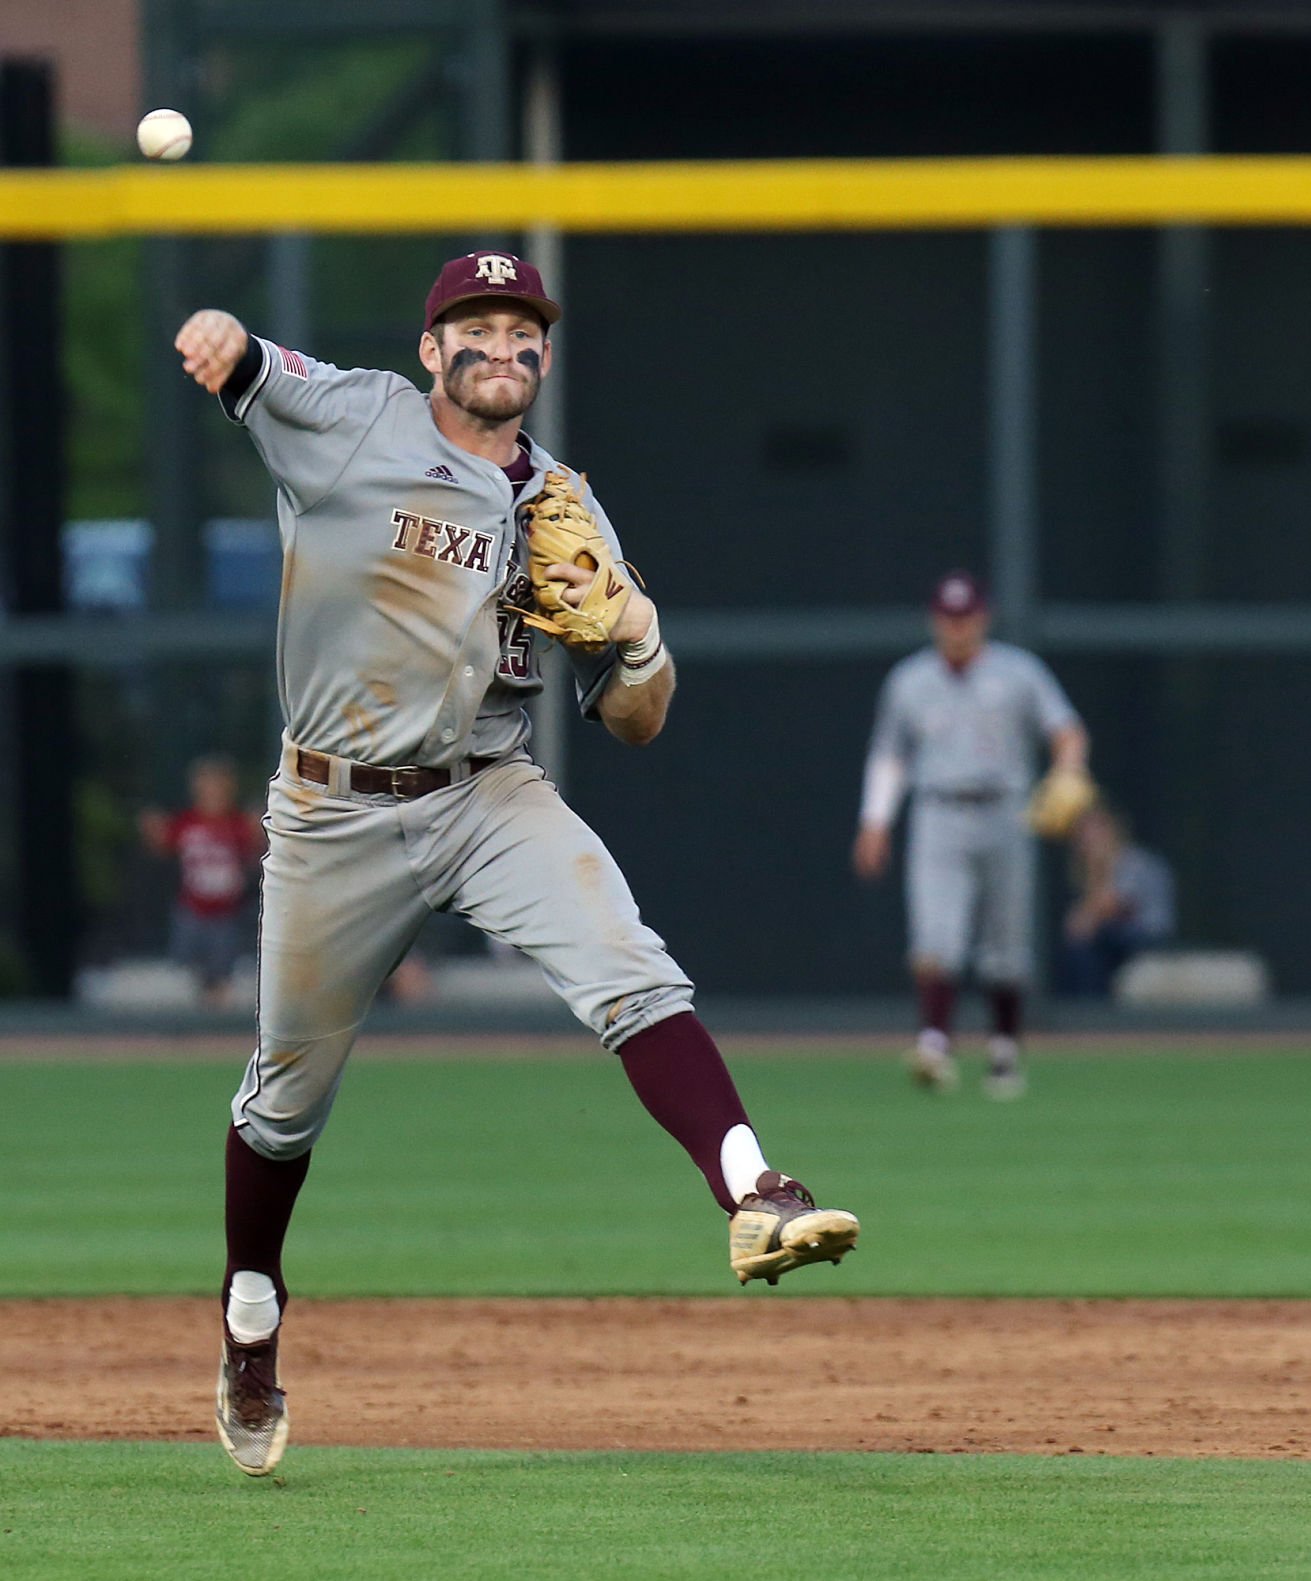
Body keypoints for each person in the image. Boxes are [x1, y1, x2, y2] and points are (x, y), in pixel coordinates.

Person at [174, 249, 859, 1478]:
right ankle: (252, 1311)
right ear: (433, 350)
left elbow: (638, 719)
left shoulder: (560, 499)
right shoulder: (355, 417)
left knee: (631, 969)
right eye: (476, 328)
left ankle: (759, 1192)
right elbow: (249, 367)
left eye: (523, 331)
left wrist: (641, 642)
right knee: (284, 1106)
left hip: (487, 788)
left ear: (542, 357)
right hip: (332, 808)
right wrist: (222, 336)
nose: (503, 347)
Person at [850, 571, 1090, 1099]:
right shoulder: (910, 679)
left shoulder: (1019, 672)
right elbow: (890, 756)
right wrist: (876, 821)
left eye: (966, 617)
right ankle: (934, 1044)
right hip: (939, 810)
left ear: (983, 618)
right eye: (948, 617)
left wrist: (1069, 770)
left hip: (1005, 811)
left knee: (1006, 942)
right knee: (937, 934)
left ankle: (1004, 1051)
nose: (957, 627)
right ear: (935, 619)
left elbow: (1066, 730)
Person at [138, 754, 263, 1008]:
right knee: (185, 974)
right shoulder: (187, 822)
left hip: (228, 913)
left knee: (222, 973)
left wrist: (259, 832)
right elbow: (161, 848)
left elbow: (255, 856)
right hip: (192, 909)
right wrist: (152, 832)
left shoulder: (236, 824)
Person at [1060, 803, 1175, 996]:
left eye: (1093, 832)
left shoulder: (1134, 861)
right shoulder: (1091, 868)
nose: (1086, 841)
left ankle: (1095, 1011)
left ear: (1110, 830)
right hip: (1116, 940)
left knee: (1096, 939)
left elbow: (1111, 907)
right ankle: (1087, 1012)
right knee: (1079, 949)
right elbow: (1076, 927)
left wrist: (1096, 870)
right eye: (1081, 835)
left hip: (1149, 938)